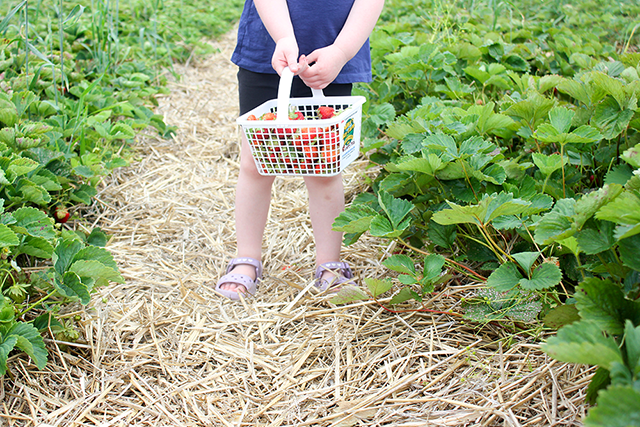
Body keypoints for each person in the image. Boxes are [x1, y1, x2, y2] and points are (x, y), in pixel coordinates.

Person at [216, 0, 384, 300]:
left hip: (332, 56)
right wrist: (283, 37)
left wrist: (341, 52)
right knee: (256, 164)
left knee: (324, 165)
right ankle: (247, 256)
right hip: (268, 51)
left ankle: (329, 263)